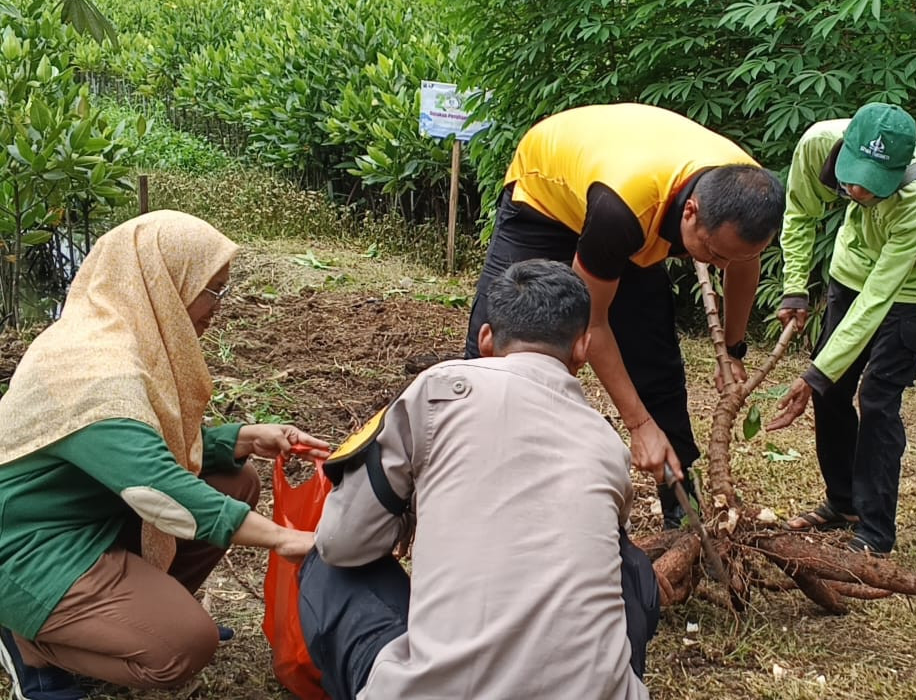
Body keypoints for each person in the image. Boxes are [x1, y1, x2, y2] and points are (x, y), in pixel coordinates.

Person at [0, 211, 330, 700]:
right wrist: (284, 538)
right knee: (181, 649)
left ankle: (130, 618)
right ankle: (31, 643)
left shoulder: (117, 333)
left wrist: (238, 439)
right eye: (211, 289)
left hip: (82, 517)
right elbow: (159, 489)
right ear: (160, 282)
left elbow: (143, 449)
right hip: (27, 546)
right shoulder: (92, 371)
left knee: (235, 481)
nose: (218, 305)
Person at [299, 259, 656, 700]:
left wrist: (409, 517)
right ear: (582, 349)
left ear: (485, 339)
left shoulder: (439, 390)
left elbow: (343, 542)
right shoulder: (607, 442)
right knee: (632, 566)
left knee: (326, 564)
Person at [464, 103, 785, 528]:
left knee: (653, 350)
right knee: (506, 339)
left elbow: (743, 263)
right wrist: (638, 425)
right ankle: (473, 470)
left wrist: (733, 348)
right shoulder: (624, 214)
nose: (721, 265)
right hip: (547, 195)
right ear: (691, 212)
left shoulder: (748, 195)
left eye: (733, 256)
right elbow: (592, 323)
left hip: (629, 184)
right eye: (712, 254)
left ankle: (681, 502)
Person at [766, 103, 916, 556]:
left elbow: (880, 295)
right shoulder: (818, 144)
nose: (855, 190)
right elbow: (799, 213)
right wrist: (795, 287)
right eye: (852, 177)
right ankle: (843, 503)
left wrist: (815, 370)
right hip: (853, 264)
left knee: (876, 396)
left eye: (872, 186)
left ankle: (875, 532)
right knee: (830, 392)